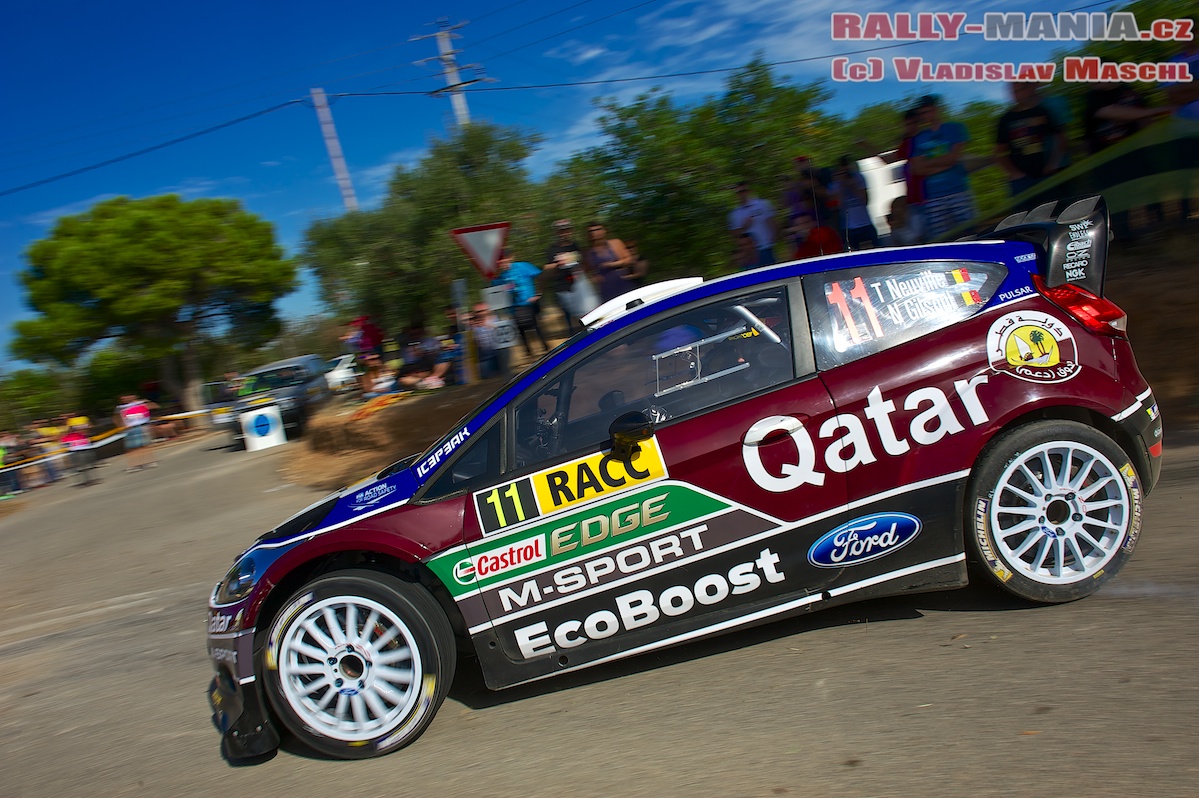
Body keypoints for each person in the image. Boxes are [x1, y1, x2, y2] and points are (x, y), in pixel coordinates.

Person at [910, 95, 975, 240]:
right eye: (922, 113)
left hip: (958, 192)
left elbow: (953, 158)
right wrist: (944, 163)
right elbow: (916, 169)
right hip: (933, 198)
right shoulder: (918, 138)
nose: (925, 115)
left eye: (928, 110)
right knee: (944, 240)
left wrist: (928, 164)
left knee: (970, 236)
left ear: (936, 109)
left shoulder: (955, 128)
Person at [858, 109, 926, 242]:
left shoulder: (926, 141)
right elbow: (888, 159)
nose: (910, 128)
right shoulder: (908, 144)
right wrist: (867, 146)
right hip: (913, 201)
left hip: (928, 199)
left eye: (913, 124)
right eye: (907, 125)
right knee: (913, 240)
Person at [995, 82, 1067, 196]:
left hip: (1045, 174)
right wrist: (1015, 173)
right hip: (1021, 180)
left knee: (1054, 210)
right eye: (1014, 92)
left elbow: (1060, 138)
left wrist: (1053, 164)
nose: (1018, 95)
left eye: (1021, 90)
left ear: (1030, 89)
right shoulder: (1005, 119)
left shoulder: (1042, 112)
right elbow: (999, 152)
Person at [496, 250, 550, 358]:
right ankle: (528, 353)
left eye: (504, 259)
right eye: (500, 261)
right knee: (521, 329)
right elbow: (496, 291)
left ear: (510, 258)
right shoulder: (502, 277)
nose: (502, 263)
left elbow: (541, 276)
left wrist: (538, 293)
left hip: (530, 303)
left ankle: (546, 349)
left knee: (536, 325)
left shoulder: (523, 266)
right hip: (515, 307)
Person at [829, 155, 879, 250]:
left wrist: (853, 185)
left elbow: (866, 200)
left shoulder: (858, 177)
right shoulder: (836, 183)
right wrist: (842, 184)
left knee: (875, 249)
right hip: (849, 227)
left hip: (865, 223)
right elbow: (838, 204)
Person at [544, 219, 584, 334]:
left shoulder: (576, 246)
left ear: (570, 231)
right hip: (562, 286)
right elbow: (547, 268)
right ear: (556, 233)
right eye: (561, 231)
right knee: (568, 317)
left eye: (566, 230)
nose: (564, 233)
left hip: (579, 285)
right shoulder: (552, 249)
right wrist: (558, 263)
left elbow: (584, 262)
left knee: (583, 315)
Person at [727, 182, 778, 267]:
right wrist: (744, 227)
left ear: (749, 191)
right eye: (739, 192)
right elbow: (734, 235)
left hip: (765, 247)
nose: (742, 194)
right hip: (748, 254)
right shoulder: (734, 214)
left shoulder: (763, 204)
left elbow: (773, 223)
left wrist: (772, 241)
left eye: (744, 191)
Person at [584, 222, 634, 303]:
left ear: (604, 231)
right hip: (605, 287)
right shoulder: (588, 252)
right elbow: (586, 270)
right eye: (591, 231)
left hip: (622, 281)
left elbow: (629, 259)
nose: (594, 233)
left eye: (598, 229)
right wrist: (593, 278)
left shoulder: (615, 243)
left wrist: (612, 264)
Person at [114, 393, 158, 472]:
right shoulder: (120, 408)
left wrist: (146, 402)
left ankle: (149, 462)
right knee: (132, 448)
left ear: (133, 396)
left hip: (142, 426)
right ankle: (134, 465)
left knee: (145, 446)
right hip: (130, 428)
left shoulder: (141, 403)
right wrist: (120, 427)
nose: (125, 398)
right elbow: (116, 418)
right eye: (123, 397)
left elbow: (155, 406)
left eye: (127, 396)